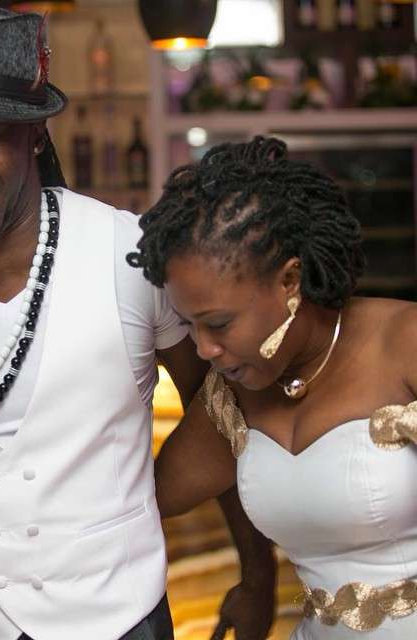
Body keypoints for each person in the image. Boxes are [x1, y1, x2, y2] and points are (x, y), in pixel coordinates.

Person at [0, 2, 275, 640]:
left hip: (122, 623)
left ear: (34, 135)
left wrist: (258, 575)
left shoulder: (131, 258)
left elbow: (226, 414)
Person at [127, 135, 417, 639]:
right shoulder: (234, 396)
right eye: (190, 325)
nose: (203, 348)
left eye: (219, 323)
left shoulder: (405, 344)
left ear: (290, 281)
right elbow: (138, 501)